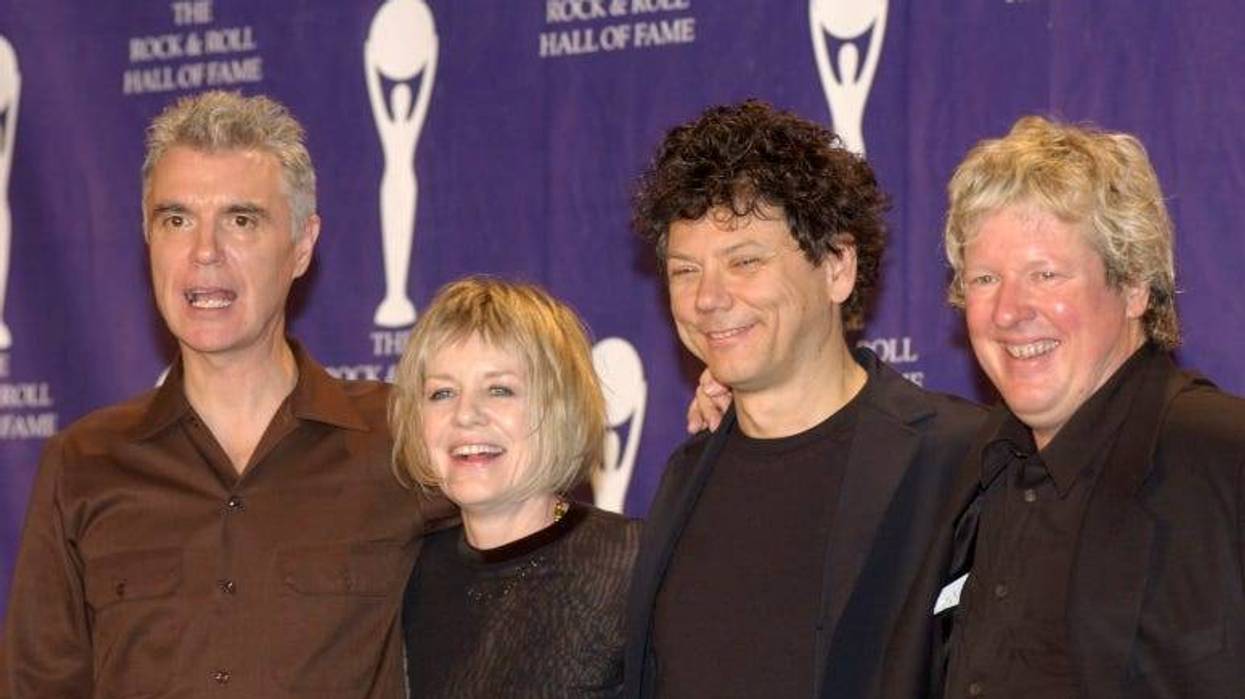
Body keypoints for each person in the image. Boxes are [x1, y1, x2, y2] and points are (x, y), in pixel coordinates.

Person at [0, 91, 449, 698]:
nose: (204, 253)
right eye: (176, 220)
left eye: (241, 220)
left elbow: (536, 568)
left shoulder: (406, 441)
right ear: (147, 238)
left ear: (302, 244)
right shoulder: (82, 465)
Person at [622, 100, 985, 699]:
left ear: (837, 267)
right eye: (685, 270)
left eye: (745, 261)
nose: (708, 298)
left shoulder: (961, 462)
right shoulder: (685, 478)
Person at [885, 116, 1245, 698]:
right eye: (984, 279)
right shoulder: (965, 474)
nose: (1008, 311)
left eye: (1045, 274)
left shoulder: (1226, 461)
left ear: (1133, 287)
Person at [391, 276, 641, 698]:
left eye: (499, 390)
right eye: (442, 393)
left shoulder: (635, 563)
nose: (465, 415)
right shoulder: (409, 576)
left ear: (561, 406)